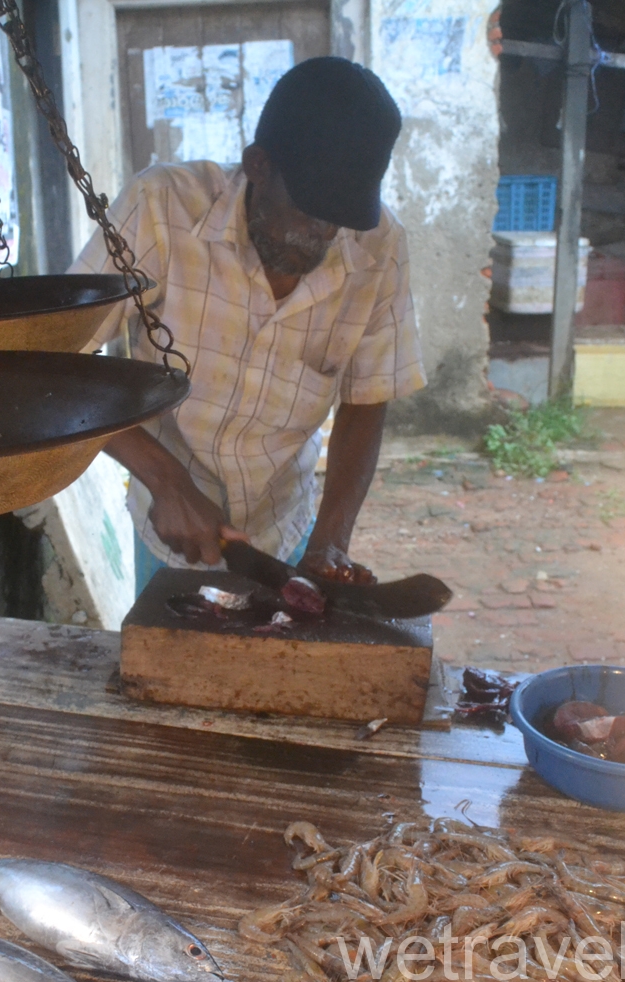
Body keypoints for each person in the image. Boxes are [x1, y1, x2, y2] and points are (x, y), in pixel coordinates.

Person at [71, 56, 425, 593]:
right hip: (166, 526)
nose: (324, 234)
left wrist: (330, 541)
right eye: (309, 212)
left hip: (289, 524)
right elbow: (61, 362)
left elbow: (366, 401)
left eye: (340, 219)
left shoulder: (380, 250)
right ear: (257, 165)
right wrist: (166, 479)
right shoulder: (162, 208)